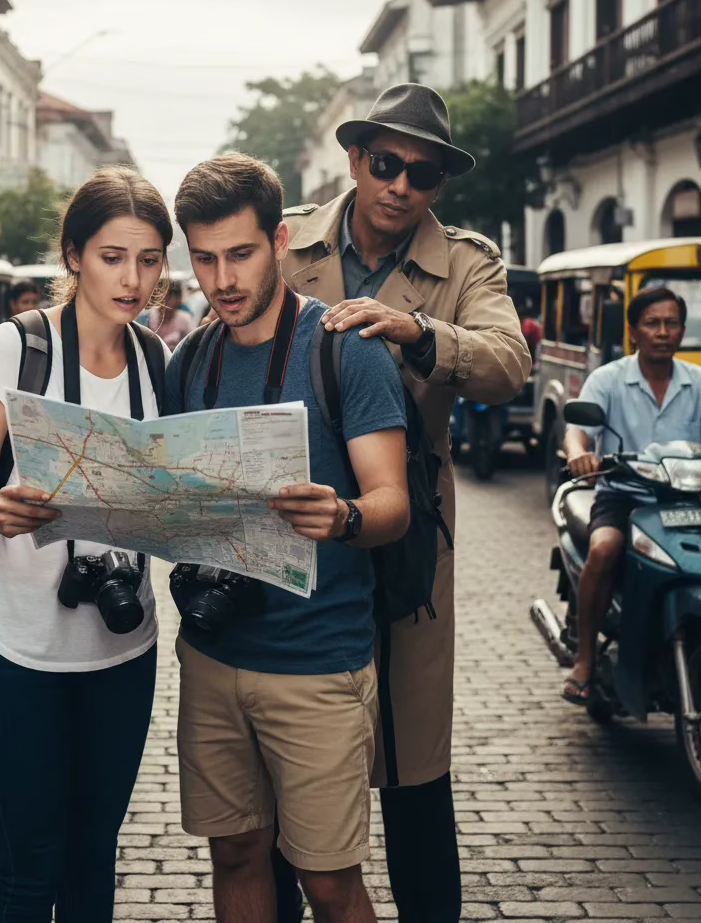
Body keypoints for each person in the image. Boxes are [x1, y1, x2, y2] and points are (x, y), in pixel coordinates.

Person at [280, 82, 532, 923]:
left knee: (413, 762)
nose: (400, 185)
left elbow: (507, 362)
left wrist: (420, 334)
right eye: (386, 163)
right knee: (292, 756)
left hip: (410, 534)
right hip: (294, 524)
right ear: (354, 158)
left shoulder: (468, 262)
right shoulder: (288, 244)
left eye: (421, 174)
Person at [167, 152, 411, 923]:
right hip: (211, 659)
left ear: (278, 242)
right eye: (203, 259)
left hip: (317, 664)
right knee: (236, 854)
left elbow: (393, 505)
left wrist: (341, 515)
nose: (222, 280)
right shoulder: (188, 360)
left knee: (329, 882)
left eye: (240, 254)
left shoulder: (346, 347)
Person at [0, 167, 170, 923]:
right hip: (17, 650)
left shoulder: (156, 361)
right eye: (112, 257)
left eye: (149, 259)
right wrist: (0, 512)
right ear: (73, 255)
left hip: (122, 649)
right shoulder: (16, 348)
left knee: (93, 860)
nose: (133, 279)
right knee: (33, 861)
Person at [561, 286, 701, 704]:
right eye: (652, 323)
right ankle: (584, 660)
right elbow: (577, 429)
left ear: (682, 330)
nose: (662, 331)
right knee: (604, 549)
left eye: (671, 323)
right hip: (624, 496)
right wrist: (579, 454)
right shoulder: (609, 378)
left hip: (684, 500)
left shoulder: (699, 382)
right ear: (634, 331)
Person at [148, 278, 194, 349]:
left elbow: (193, 343)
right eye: (161, 298)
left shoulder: (184, 319)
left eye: (169, 297)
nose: (166, 302)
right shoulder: (148, 317)